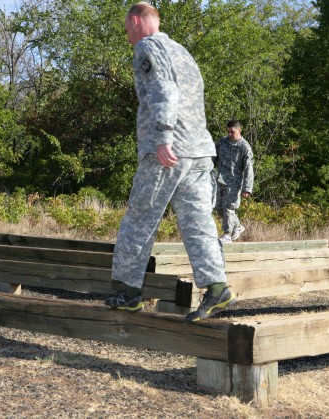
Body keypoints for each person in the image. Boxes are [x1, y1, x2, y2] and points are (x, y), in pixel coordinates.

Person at [105, 2, 235, 322]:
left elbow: (165, 91)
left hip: (166, 151)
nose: (127, 36)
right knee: (197, 222)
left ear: (136, 21)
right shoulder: (182, 52)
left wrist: (163, 137)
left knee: (140, 219)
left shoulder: (147, 47)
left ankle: (128, 292)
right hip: (199, 151)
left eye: (126, 29)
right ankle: (216, 287)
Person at [214, 120, 254, 243]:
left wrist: (247, 188)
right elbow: (213, 158)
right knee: (218, 207)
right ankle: (237, 226)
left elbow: (248, 169)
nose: (230, 134)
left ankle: (227, 234)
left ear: (239, 131)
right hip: (220, 179)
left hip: (234, 183)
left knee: (228, 208)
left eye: (232, 132)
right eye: (228, 132)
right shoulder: (222, 142)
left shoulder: (244, 147)